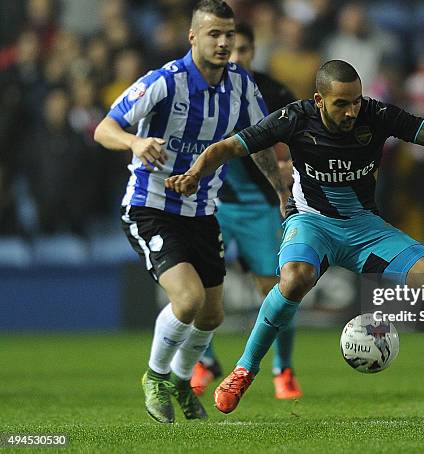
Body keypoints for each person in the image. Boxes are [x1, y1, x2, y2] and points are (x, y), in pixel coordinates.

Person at [166, 60, 424, 422]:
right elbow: (227, 148)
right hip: (312, 223)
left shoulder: (376, 115)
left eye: (356, 101)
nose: (352, 112)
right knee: (295, 277)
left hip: (365, 229)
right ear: (319, 100)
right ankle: (244, 371)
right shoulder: (294, 119)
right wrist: (193, 174)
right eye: (341, 104)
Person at [94, 0, 287, 424]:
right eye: (213, 34)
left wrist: (279, 190)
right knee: (188, 299)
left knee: (212, 314)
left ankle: (182, 379)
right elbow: (104, 127)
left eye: (228, 35)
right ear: (193, 36)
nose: (222, 43)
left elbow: (258, 141)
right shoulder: (164, 82)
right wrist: (135, 143)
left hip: (202, 211)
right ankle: (156, 376)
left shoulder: (241, 85)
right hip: (151, 206)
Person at [191, 21, 302, 400]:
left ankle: (282, 369)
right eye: (230, 51)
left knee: (278, 290)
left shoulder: (273, 92)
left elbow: (302, 141)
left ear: (253, 53)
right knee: (195, 288)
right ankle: (205, 362)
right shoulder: (201, 88)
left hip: (259, 207)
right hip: (212, 204)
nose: (235, 58)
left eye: (243, 52)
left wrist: (289, 168)